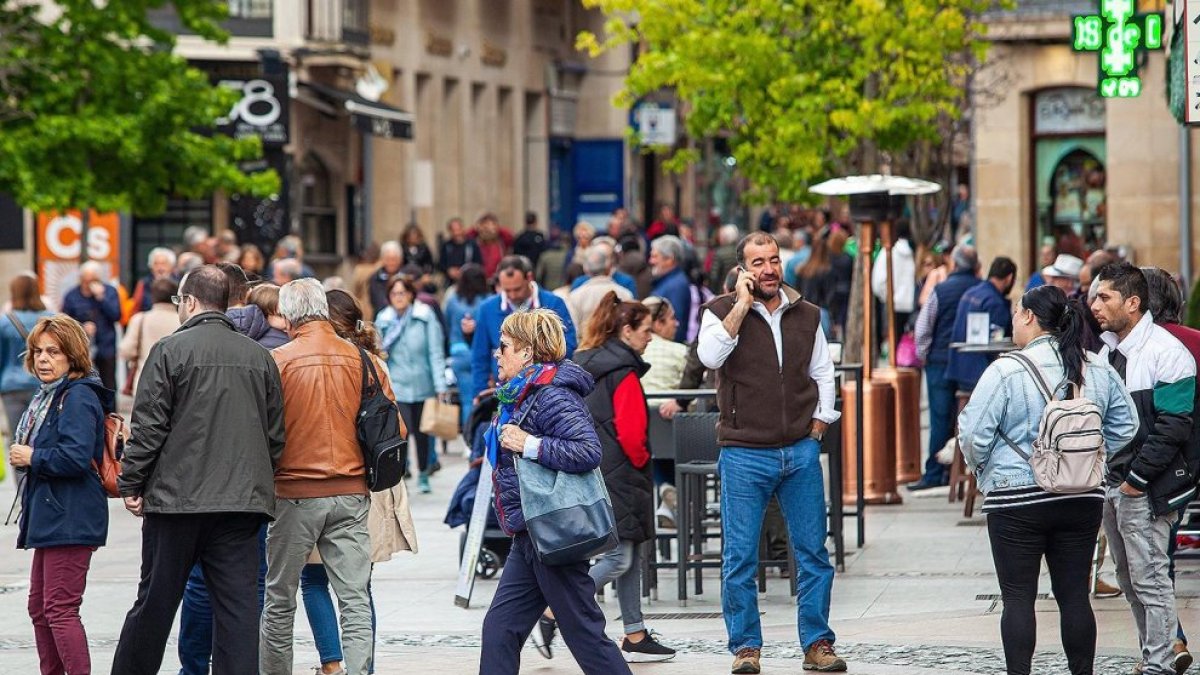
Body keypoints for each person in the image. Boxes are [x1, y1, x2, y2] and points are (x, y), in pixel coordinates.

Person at [112, 265, 285, 675]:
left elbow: (149, 425)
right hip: (241, 505)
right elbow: (275, 435)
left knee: (154, 604)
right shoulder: (259, 357)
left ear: (189, 302)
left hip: (176, 502)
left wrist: (131, 481)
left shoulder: (171, 350)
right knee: (237, 612)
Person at [958, 285, 1137, 675]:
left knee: (1018, 597)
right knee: (1074, 595)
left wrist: (986, 470)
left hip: (1015, 498)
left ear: (1028, 316)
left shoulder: (1006, 370)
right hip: (1081, 495)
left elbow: (973, 436)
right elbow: (1128, 424)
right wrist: (1093, 456)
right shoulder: (1096, 366)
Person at [697, 232, 845, 674]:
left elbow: (823, 370)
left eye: (774, 260)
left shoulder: (808, 313)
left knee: (813, 554)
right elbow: (710, 356)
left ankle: (817, 644)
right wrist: (741, 307)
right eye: (758, 262)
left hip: (799, 450)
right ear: (743, 269)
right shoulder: (719, 312)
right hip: (744, 452)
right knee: (739, 556)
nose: (768, 269)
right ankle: (746, 648)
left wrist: (821, 421)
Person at [477, 309, 632, 675]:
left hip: (553, 533)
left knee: (584, 635)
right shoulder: (520, 395)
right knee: (500, 630)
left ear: (527, 352)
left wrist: (529, 443)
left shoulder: (552, 395)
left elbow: (587, 450)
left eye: (504, 347)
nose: (497, 353)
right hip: (530, 532)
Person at [260, 279, 391, 675]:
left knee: (279, 599)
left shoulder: (277, 361)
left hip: (293, 492)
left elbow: (262, 431)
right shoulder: (363, 359)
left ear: (287, 317)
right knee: (354, 598)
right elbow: (392, 427)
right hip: (351, 491)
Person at [298, 289, 418, 675]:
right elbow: (397, 428)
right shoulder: (373, 364)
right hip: (364, 484)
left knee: (313, 578)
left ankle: (332, 666)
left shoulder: (300, 361)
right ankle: (361, 668)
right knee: (357, 586)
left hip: (312, 482)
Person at [1091, 262, 1196, 675]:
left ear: (1132, 303)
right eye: (1095, 296)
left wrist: (1137, 480)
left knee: (1151, 579)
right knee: (1132, 580)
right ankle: (1153, 655)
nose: (1095, 304)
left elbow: (1174, 425)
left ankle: (1161, 663)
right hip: (1116, 484)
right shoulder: (1108, 349)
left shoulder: (1166, 351)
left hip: (1145, 487)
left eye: (1105, 297)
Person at [563, 292, 677, 663]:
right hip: (622, 472)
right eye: (645, 330)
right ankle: (550, 610)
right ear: (626, 330)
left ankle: (635, 632)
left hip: (594, 469)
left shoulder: (585, 363)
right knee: (620, 559)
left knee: (632, 551)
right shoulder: (623, 372)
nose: (650, 337)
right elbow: (631, 433)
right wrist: (645, 459)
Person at [10, 315, 113, 675]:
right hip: (52, 512)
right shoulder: (48, 397)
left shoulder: (78, 396)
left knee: (59, 608)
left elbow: (75, 455)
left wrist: (32, 456)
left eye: (53, 351)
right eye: (38, 351)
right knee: (40, 608)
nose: (43, 359)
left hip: (72, 514)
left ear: (72, 354)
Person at [1143, 267, 1200, 671]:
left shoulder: (1147, 348)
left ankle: (1169, 643)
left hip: (1167, 467)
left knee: (1155, 561)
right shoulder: (1196, 341)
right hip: (1188, 462)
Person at [910, 244, 980, 491]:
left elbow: (923, 327)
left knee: (939, 418)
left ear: (954, 264)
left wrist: (924, 355)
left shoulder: (942, 289)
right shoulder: (981, 290)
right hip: (972, 363)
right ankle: (962, 470)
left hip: (940, 360)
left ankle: (935, 472)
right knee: (968, 417)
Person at [469, 255, 577, 404]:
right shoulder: (487, 309)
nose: (512, 295)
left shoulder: (554, 303)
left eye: (517, 289)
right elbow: (479, 356)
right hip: (504, 394)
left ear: (529, 277)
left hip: (546, 390)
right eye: (507, 290)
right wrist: (479, 393)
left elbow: (568, 346)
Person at [377, 276, 448, 494]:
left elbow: (435, 352)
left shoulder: (425, 317)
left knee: (424, 433)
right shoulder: (384, 319)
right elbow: (378, 355)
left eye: (402, 293)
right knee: (401, 432)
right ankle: (402, 470)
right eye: (394, 294)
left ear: (410, 294)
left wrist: (440, 386)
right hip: (398, 386)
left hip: (423, 383)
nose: (398, 298)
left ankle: (424, 473)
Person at [0, 273, 54, 465]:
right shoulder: (52, 320)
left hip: (11, 386)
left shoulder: (5, 322)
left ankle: (22, 490)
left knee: (18, 442)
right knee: (45, 439)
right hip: (46, 384)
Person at [945, 257, 1017, 392]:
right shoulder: (995, 302)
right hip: (978, 372)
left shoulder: (971, 292)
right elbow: (997, 341)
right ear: (1009, 278)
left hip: (959, 367)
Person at [61, 261, 121, 390]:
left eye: (92, 281)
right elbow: (64, 322)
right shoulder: (72, 296)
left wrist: (101, 297)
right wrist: (82, 327)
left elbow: (116, 315)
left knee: (108, 385)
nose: (88, 285)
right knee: (83, 384)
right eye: (85, 281)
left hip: (106, 347)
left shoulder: (109, 291)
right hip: (81, 349)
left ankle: (109, 410)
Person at [444, 264, 492, 427]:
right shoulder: (488, 301)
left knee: (466, 399)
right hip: (483, 354)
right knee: (482, 398)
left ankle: (467, 439)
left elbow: (447, 326)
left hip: (458, 352)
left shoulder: (452, 301)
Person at [118, 277, 180, 394]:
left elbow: (126, 350)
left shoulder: (140, 319)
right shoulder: (182, 320)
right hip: (176, 385)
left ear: (153, 296)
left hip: (145, 383)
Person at [567, 242, 634, 333]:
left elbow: (573, 329)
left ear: (586, 269)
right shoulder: (625, 294)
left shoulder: (575, 296)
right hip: (617, 346)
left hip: (586, 344)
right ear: (608, 267)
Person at [870, 221, 916, 336]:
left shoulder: (887, 253)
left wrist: (887, 297)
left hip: (894, 304)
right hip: (912, 304)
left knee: (894, 340)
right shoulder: (916, 253)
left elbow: (878, 281)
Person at [649, 236, 692, 343]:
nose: (651, 261)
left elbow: (676, 326)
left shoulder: (676, 286)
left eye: (655, 256)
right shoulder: (669, 282)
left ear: (669, 259)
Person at [797, 229, 838, 337]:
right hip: (822, 312)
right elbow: (831, 297)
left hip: (803, 311)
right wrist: (834, 319)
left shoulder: (802, 270)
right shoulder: (828, 271)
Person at [131, 247, 177, 312]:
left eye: (163, 264)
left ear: (171, 266)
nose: (160, 268)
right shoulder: (143, 284)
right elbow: (136, 307)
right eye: (156, 264)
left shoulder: (178, 283)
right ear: (151, 267)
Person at [246, 284, 291, 349]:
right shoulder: (275, 343)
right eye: (281, 315)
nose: (289, 319)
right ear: (262, 315)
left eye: (290, 313)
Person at [439, 217, 483, 283]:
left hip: (469, 281)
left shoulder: (472, 245)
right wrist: (449, 271)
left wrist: (466, 271)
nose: (457, 233)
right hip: (451, 282)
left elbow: (478, 263)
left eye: (458, 229)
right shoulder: (446, 246)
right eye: (453, 230)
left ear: (463, 228)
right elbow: (441, 264)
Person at [473, 212, 515, 279]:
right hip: (479, 280)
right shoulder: (474, 244)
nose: (488, 231)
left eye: (491, 227)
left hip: (499, 279)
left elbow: (510, 235)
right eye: (485, 227)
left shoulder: (502, 242)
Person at [368, 240, 404, 316]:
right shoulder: (375, 278)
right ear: (383, 260)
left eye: (394, 259)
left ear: (400, 260)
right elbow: (379, 302)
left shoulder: (405, 277)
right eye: (388, 259)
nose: (391, 263)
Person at [708, 224, 741, 296]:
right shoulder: (741, 251)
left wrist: (713, 291)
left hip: (723, 292)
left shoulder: (719, 253)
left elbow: (714, 276)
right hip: (740, 290)